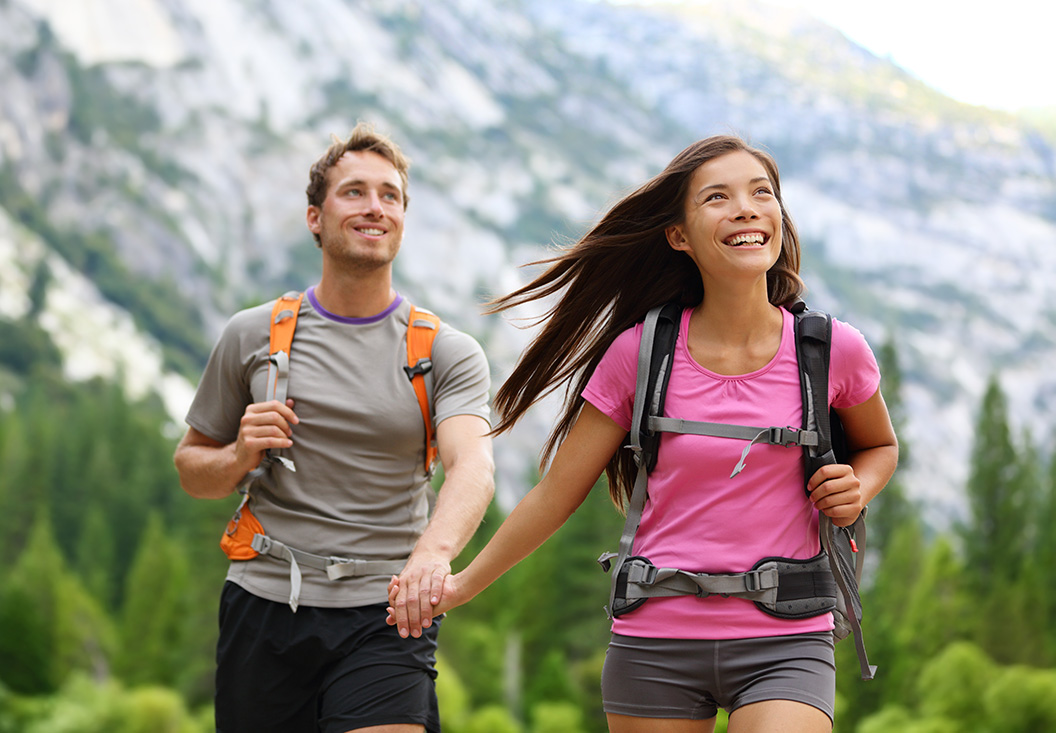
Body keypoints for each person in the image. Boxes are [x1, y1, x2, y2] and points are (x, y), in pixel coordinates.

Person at [388, 135, 898, 732]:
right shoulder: (641, 353)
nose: (746, 208)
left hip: (787, 637)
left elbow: (880, 447)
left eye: (762, 194)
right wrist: (462, 585)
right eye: (717, 197)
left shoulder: (833, 350)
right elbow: (558, 492)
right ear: (678, 236)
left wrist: (858, 487)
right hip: (656, 639)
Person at [175, 122, 495, 733]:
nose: (375, 207)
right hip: (263, 602)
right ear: (315, 217)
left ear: (402, 218)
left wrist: (433, 555)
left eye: (391, 195)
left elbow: (474, 468)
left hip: (387, 610)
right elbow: (193, 471)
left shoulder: (445, 351)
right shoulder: (253, 335)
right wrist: (239, 453)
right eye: (354, 192)